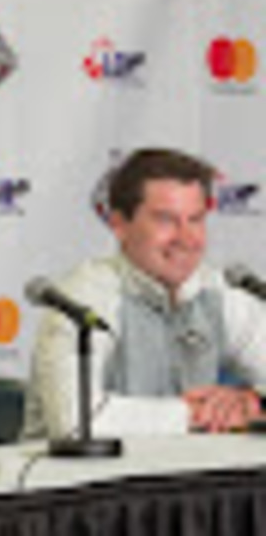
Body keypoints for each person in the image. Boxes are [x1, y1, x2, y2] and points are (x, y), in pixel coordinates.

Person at [23, 148, 266, 439]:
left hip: (185, 468)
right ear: (119, 225)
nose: (186, 239)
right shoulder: (84, 299)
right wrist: (195, 413)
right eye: (166, 220)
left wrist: (252, 402)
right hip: (66, 469)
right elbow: (75, 423)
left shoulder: (220, 291)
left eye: (196, 220)